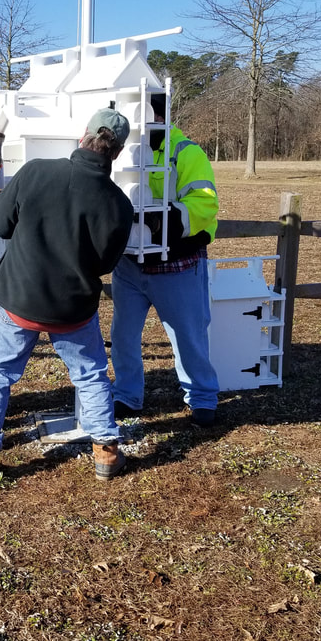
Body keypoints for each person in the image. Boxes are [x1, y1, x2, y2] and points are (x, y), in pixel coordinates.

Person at [0, 108, 135, 485]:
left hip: (18, 299)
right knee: (90, 375)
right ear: (118, 152)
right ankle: (105, 451)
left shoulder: (37, 171)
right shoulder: (119, 205)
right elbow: (106, 263)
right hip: (73, 307)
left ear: (83, 137)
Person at [110, 94, 220, 427]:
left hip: (177, 265)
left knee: (188, 335)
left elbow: (205, 206)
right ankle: (127, 395)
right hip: (129, 265)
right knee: (123, 336)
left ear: (156, 114)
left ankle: (202, 397)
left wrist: (162, 220)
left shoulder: (185, 152)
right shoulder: (119, 148)